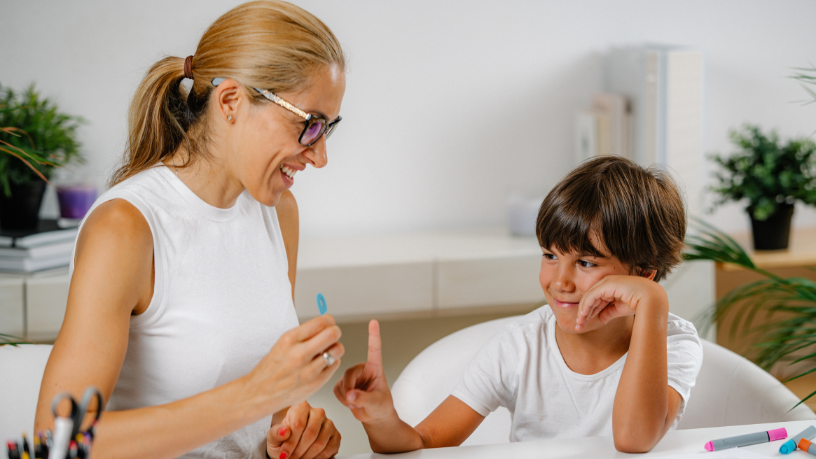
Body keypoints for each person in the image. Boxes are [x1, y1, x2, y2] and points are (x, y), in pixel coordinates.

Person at [34, 2, 347, 458]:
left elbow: (265, 406)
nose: (319, 157)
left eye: (328, 129)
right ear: (231, 102)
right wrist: (254, 396)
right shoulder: (127, 228)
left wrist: (295, 424)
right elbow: (55, 443)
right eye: (309, 125)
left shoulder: (278, 214)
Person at [334, 156, 704, 453]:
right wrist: (380, 417)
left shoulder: (675, 344)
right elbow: (424, 442)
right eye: (549, 255)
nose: (560, 281)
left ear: (642, 273)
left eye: (586, 262)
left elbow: (633, 440)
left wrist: (653, 303)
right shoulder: (519, 347)